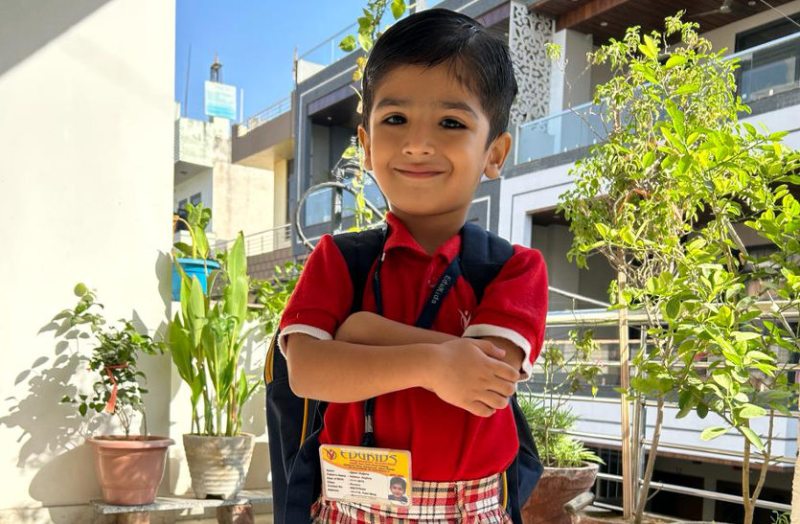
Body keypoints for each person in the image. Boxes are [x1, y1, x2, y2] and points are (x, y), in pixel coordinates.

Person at [279, 8, 548, 523]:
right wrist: (434, 364)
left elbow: (484, 381)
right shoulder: (339, 258)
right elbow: (307, 371)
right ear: (366, 145)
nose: (418, 143)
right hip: (349, 508)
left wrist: (360, 331)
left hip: (468, 512)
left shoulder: (515, 269)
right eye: (395, 119)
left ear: (495, 153)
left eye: (451, 123)